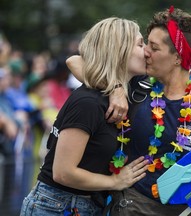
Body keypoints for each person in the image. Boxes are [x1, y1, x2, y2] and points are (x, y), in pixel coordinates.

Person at [67, 7, 191, 216]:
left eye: (154, 48)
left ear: (178, 58)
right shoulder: (136, 87)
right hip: (133, 207)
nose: (146, 51)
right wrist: (115, 88)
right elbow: (75, 61)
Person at [19, 17, 149, 216]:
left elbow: (75, 60)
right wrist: (114, 182)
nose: (147, 50)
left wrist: (115, 87)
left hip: (84, 205)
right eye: (140, 44)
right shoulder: (88, 102)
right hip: (56, 207)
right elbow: (63, 172)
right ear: (120, 51)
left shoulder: (128, 88)